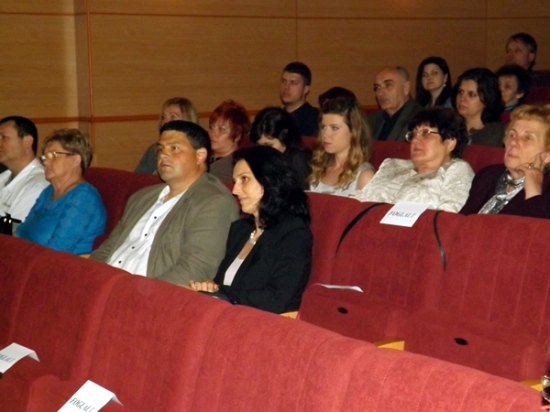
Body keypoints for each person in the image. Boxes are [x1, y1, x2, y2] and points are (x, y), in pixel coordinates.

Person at [90, 120, 239, 284]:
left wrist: (143, 293)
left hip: (150, 292)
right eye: (160, 149)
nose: (163, 155)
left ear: (200, 156)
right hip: (110, 285)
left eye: (174, 148)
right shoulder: (141, 197)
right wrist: (94, 278)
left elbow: (197, 268)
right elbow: (108, 248)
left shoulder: (213, 202)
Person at [189, 146, 312, 314]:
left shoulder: (293, 234)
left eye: (244, 179)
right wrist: (210, 287)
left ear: (269, 181)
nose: (235, 190)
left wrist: (221, 293)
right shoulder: (240, 230)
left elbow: (277, 299)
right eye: (235, 181)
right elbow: (225, 284)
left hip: (265, 323)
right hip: (229, 316)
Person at [353, 107, 474, 212]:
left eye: (426, 133)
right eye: (414, 134)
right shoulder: (391, 165)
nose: (415, 140)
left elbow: (448, 216)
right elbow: (358, 201)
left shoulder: (457, 169)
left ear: (449, 143)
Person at [16, 129, 106, 254]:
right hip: (28, 257)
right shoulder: (48, 191)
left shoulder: (84, 198)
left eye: (54, 155)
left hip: (59, 264)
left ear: (75, 160)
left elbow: (57, 250)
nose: (45, 162)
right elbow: (20, 232)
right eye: (44, 157)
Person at [460, 104, 550, 218]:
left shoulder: (547, 188)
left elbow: (534, 228)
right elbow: (462, 221)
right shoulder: (488, 175)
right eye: (512, 135)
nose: (513, 142)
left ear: (547, 155)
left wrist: (534, 193)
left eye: (527, 138)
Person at [309, 96, 375, 196]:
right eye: (323, 127)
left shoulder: (364, 175)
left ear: (353, 131)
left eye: (334, 128)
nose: (325, 135)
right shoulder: (319, 167)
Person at [0, 116, 48, 224]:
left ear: (27, 141)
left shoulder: (38, 184)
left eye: (4, 137)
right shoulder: (3, 177)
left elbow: (12, 229)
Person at [250, 107, 311, 189]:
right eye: (259, 146)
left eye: (269, 146)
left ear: (284, 138)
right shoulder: (258, 159)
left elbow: (307, 194)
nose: (263, 151)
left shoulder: (297, 160)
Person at [135, 97, 198, 174]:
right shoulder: (154, 150)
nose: (165, 122)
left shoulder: (196, 153)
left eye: (173, 117)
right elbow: (137, 179)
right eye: (163, 117)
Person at [368, 66, 422, 141]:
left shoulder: (419, 119)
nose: (380, 93)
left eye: (388, 85)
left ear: (406, 88)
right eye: (377, 87)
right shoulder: (371, 120)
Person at [453, 68, 505, 147]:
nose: (462, 98)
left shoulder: (498, 134)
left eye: (471, 94)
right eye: (460, 92)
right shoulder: (449, 127)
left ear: (487, 98)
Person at [208, 100, 250, 183]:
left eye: (222, 130)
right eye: (211, 127)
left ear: (237, 135)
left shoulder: (235, 167)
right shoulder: (203, 155)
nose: (213, 133)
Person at [280, 62, 319, 136]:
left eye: (293, 83)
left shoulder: (315, 119)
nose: (286, 87)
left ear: (306, 89)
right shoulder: (275, 117)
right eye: (284, 81)